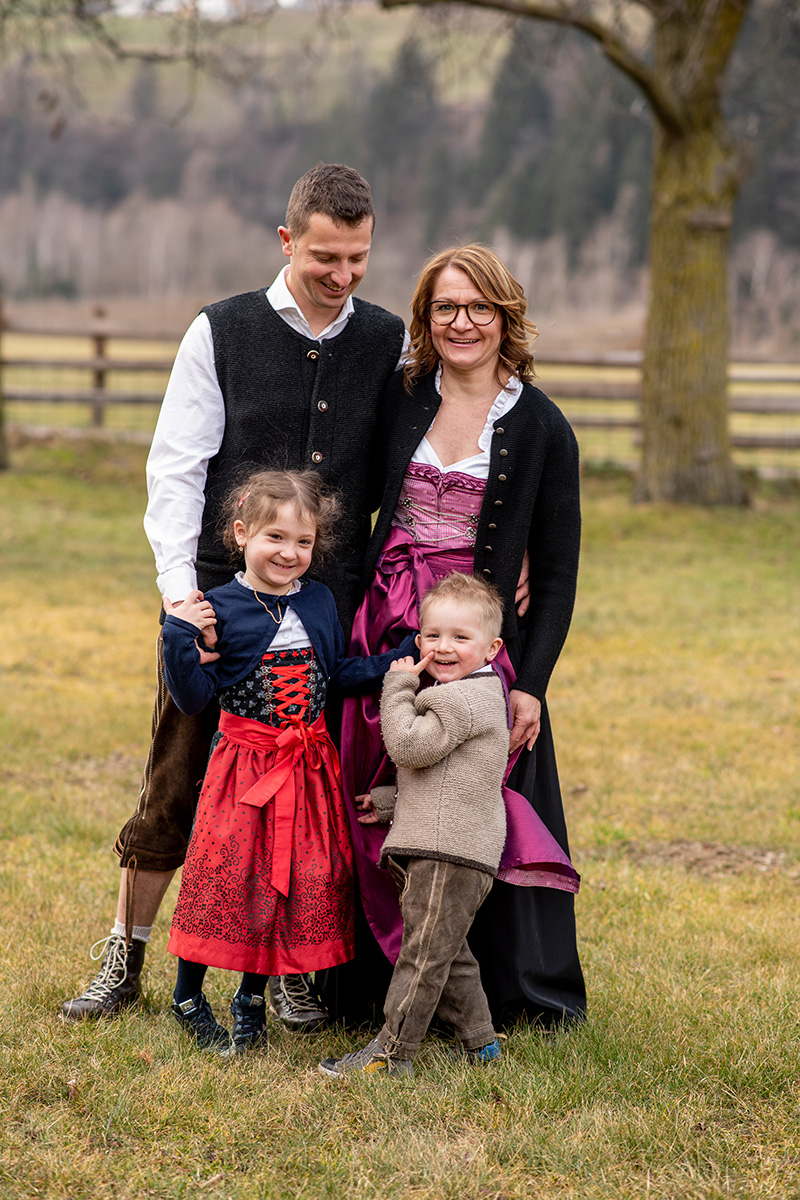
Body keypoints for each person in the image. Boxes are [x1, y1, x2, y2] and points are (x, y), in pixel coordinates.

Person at [61, 164, 407, 1026]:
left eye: (358, 258)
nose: (343, 274)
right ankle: (125, 956)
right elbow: (176, 471)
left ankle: (288, 968)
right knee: (176, 780)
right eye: (326, 257)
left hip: (325, 609)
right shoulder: (221, 330)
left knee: (306, 799)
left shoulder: (388, 340)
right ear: (287, 241)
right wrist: (183, 598)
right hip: (218, 602)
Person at [318, 244, 586, 1031]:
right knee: (369, 793)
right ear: (426, 319)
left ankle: (498, 989)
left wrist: (531, 685)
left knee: (468, 802)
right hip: (385, 622)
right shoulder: (401, 398)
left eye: (478, 307)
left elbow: (558, 575)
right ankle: (364, 985)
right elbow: (351, 501)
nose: (461, 322)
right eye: (445, 308)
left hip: (476, 639)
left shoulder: (541, 426)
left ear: (506, 315)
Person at [159, 470, 416, 1055]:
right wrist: (178, 636)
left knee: (285, 881)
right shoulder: (217, 608)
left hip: (307, 768)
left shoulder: (319, 600)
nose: (289, 552)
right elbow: (194, 699)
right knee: (224, 877)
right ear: (241, 533)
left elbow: (334, 676)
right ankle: (187, 996)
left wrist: (397, 659)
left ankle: (250, 1000)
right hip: (243, 768)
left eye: (303, 541)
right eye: (275, 537)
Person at [320, 573, 511, 1078]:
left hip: (448, 854)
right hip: (454, 848)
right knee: (448, 954)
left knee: (422, 958)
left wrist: (398, 684)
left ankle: (392, 1053)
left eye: (460, 637)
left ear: (492, 649)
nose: (443, 647)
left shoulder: (460, 699)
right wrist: (388, 802)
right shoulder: (475, 694)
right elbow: (449, 776)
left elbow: (407, 746)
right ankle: (481, 1046)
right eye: (432, 635)